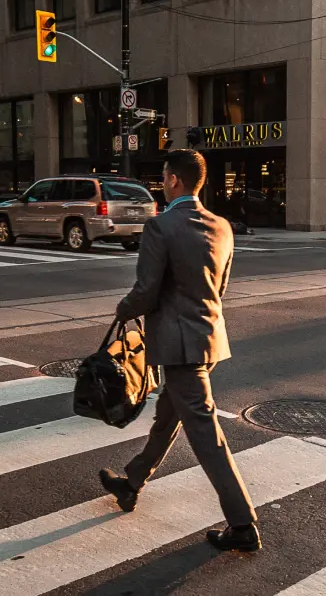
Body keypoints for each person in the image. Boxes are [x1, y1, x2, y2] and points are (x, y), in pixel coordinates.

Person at [98, 148, 261, 553]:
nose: (163, 182)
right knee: (168, 416)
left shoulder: (161, 226)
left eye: (164, 176)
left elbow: (147, 291)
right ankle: (132, 483)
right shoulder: (222, 225)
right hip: (208, 338)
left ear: (174, 180)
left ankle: (243, 524)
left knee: (206, 435)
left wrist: (124, 309)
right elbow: (219, 289)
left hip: (178, 344)